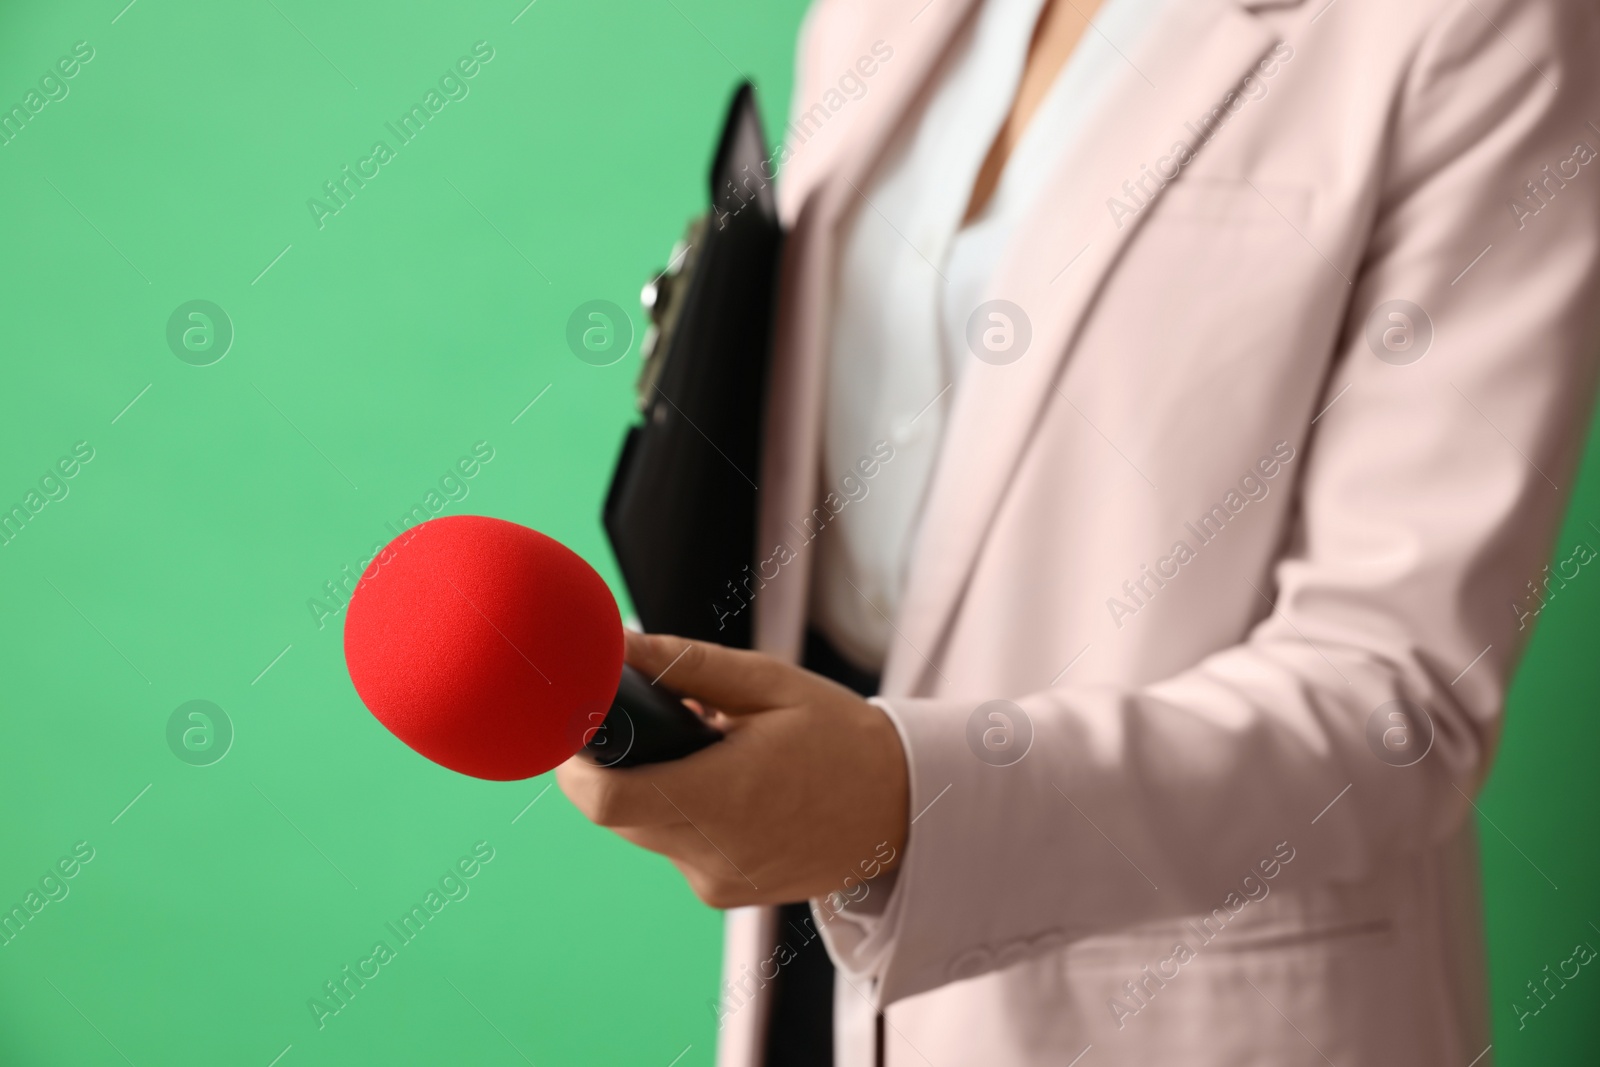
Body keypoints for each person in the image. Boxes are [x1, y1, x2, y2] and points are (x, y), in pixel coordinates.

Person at [559, 0, 1600, 1061]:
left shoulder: (1483, 26)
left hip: (1178, 998)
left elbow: (1396, 698)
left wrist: (907, 801)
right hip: (809, 933)